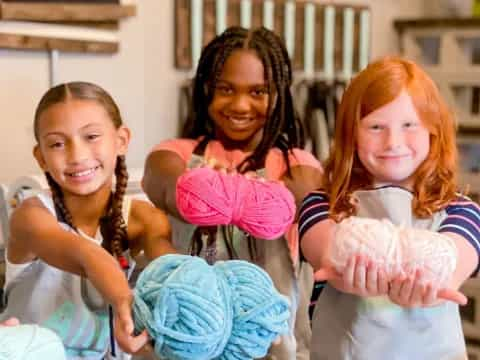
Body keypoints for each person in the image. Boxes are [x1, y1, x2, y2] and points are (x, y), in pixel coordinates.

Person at [142, 26, 323, 359]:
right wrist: (206, 191)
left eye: (258, 92)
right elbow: (163, 185)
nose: (241, 105)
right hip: (189, 332)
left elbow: (294, 201)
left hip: (269, 340)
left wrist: (224, 192)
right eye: (226, 89)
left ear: (279, 95)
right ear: (206, 89)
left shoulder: (297, 164)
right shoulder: (174, 155)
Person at [299, 56, 480, 359]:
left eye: (409, 125)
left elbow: (453, 264)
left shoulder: (460, 212)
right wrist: (351, 272)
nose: (393, 141)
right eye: (376, 127)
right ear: (350, 134)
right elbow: (331, 255)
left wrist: (432, 282)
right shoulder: (322, 206)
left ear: (432, 129)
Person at [1, 82, 175, 359]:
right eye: (57, 144)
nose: (77, 156)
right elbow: (86, 255)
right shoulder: (31, 215)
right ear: (41, 157)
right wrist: (123, 301)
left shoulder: (145, 219)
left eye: (91, 136)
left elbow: (172, 273)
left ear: (121, 140)